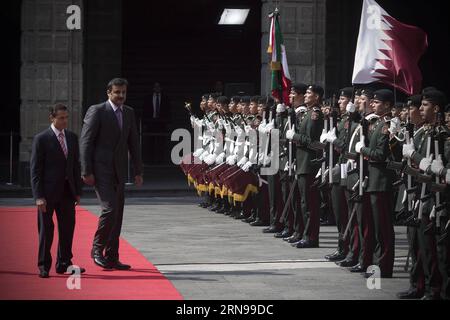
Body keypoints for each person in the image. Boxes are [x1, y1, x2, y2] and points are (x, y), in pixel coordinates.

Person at [80, 78, 143, 270]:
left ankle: (112, 256)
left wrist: (138, 171)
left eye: (123, 92)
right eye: (117, 92)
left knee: (118, 213)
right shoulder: (97, 111)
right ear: (109, 92)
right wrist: (86, 170)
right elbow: (86, 142)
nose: (121, 96)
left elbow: (133, 143)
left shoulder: (129, 112)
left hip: (119, 171)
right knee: (109, 209)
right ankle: (97, 249)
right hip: (100, 170)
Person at [30, 104, 85, 278]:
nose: (65, 121)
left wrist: (78, 190)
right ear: (52, 118)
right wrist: (38, 196)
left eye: (66, 117)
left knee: (67, 229)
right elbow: (35, 170)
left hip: (67, 192)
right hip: (47, 193)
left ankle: (64, 263)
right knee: (46, 230)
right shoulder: (41, 139)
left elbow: (75, 165)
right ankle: (43, 265)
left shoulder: (72, 137)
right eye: (61, 118)